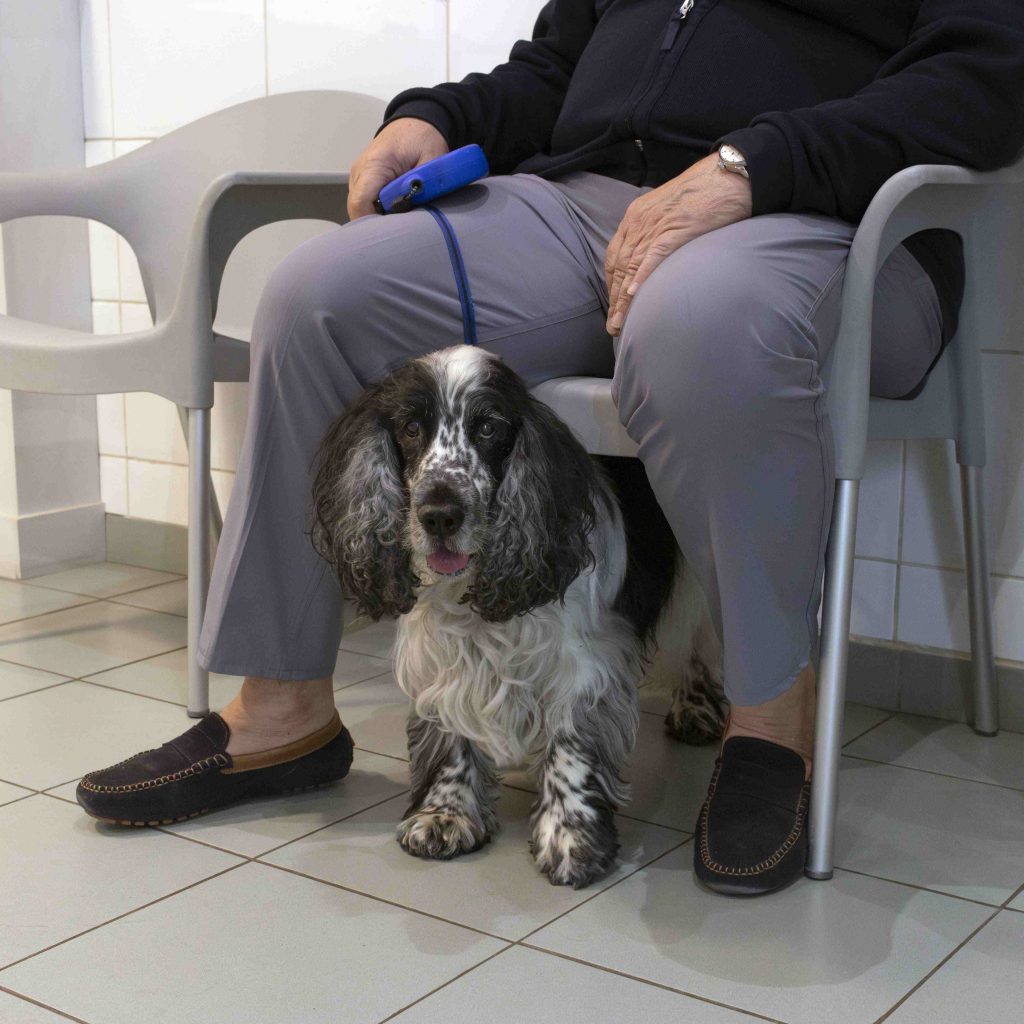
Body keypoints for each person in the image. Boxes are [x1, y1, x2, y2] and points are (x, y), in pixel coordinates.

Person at [78, 0, 1024, 895]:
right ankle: (284, 707)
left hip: (829, 211)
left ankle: (771, 722)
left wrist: (755, 162)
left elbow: (990, 74)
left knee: (701, 325)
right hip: (581, 207)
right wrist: (437, 118)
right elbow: (556, 71)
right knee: (317, 297)